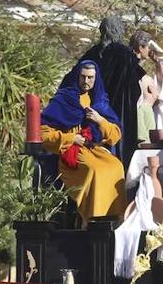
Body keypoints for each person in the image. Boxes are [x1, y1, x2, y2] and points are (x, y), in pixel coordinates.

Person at [40, 60, 126, 224]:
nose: (86, 81)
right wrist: (71, 138)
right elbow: (42, 133)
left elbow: (115, 135)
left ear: (96, 78)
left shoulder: (99, 101)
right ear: (77, 76)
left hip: (94, 149)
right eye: (83, 77)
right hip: (72, 151)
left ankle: (114, 220)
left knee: (116, 167)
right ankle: (90, 220)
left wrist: (100, 120)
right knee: (94, 170)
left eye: (90, 78)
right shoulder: (63, 99)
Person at [68, 15, 144, 164]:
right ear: (118, 31)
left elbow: (73, 79)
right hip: (119, 110)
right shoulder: (126, 54)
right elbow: (135, 88)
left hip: (90, 109)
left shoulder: (91, 53)